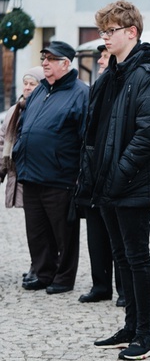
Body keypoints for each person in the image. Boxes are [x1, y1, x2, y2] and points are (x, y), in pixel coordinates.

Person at [77, 0, 150, 361]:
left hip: (130, 184)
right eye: (102, 31)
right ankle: (130, 327)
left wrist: (118, 174)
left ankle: (146, 336)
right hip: (107, 182)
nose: (104, 38)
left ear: (131, 32)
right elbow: (97, 130)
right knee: (121, 256)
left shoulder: (146, 74)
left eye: (110, 31)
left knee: (137, 258)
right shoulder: (111, 75)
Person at [13, 42, 87, 295]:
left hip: (60, 176)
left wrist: (79, 175)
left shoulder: (80, 93)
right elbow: (25, 126)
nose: (44, 62)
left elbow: (85, 137)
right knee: (36, 230)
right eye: (44, 58)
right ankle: (43, 272)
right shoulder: (40, 90)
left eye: (51, 59)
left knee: (63, 233)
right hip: (31, 173)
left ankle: (64, 278)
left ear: (66, 64)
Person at [79, 46, 125, 306]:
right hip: (92, 166)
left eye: (105, 55)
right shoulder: (98, 84)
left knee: (118, 235)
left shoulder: (122, 83)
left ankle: (124, 290)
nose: (100, 60)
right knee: (96, 232)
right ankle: (100, 285)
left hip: (113, 167)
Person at [0, 66, 43, 283]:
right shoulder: (15, 109)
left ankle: (42, 266)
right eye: (25, 83)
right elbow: (2, 140)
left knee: (41, 226)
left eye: (32, 83)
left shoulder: (40, 108)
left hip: (37, 173)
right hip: (19, 173)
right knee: (33, 225)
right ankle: (36, 264)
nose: (27, 87)